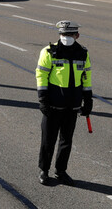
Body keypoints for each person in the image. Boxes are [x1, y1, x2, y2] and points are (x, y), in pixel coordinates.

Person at [36, 21, 93, 186]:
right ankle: (44, 171)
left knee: (66, 141)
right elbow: (41, 75)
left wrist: (88, 100)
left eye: (69, 35)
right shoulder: (49, 52)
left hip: (72, 105)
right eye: (63, 35)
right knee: (48, 140)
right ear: (59, 35)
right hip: (53, 105)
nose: (66, 38)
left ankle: (61, 171)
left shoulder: (82, 53)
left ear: (77, 36)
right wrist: (42, 100)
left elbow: (86, 77)